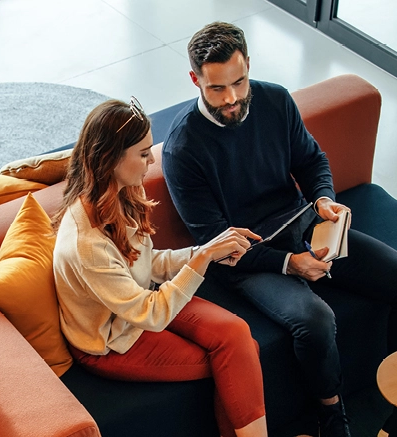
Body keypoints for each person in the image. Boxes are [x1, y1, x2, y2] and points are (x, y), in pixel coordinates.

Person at [162, 22, 397, 437]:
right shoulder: (182, 150)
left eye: (239, 82)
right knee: (314, 319)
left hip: (303, 224)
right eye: (217, 89)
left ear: (249, 66)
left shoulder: (274, 100)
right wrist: (290, 264)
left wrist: (323, 198)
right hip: (245, 260)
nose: (233, 98)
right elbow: (216, 242)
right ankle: (330, 415)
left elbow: (311, 161)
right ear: (195, 80)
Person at [53, 98, 269, 437]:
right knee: (240, 356)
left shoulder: (122, 192)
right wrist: (199, 261)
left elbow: (148, 264)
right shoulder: (86, 245)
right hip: (110, 342)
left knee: (238, 336)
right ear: (110, 159)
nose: (152, 159)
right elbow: (150, 315)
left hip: (140, 302)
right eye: (142, 154)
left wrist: (208, 251)